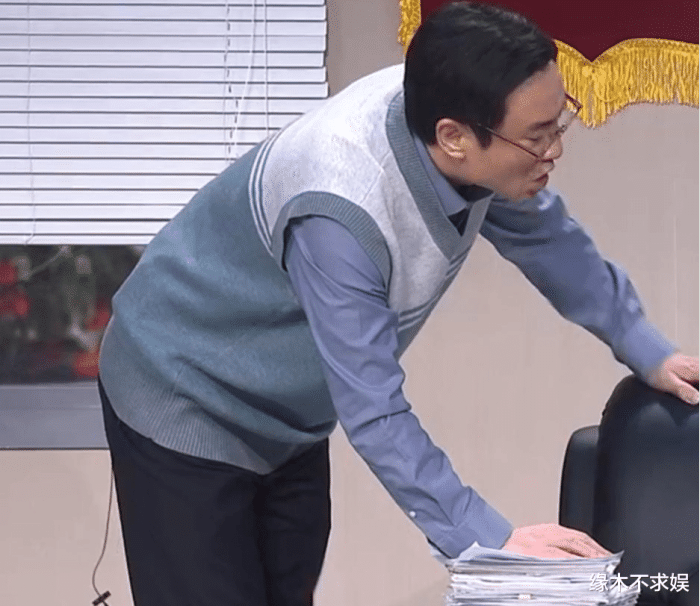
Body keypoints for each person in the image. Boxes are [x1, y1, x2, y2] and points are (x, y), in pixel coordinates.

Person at [97, 2, 699, 605]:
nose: (554, 151)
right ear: (454, 138)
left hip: (290, 410)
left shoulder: (459, 118)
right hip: (185, 390)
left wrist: (648, 350)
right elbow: (374, 406)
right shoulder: (340, 207)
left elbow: (551, 242)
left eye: (558, 122)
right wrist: (491, 542)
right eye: (537, 137)